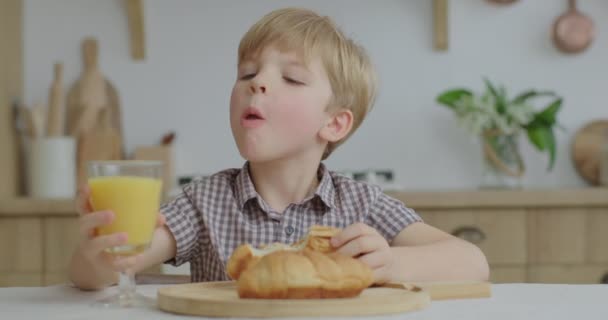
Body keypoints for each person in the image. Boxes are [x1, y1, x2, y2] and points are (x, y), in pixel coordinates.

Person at [69, 7, 489, 290]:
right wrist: (100, 255)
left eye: (291, 78)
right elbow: (123, 261)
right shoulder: (205, 201)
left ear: (335, 122)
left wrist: (392, 265)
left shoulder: (361, 204)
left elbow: (472, 263)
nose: (257, 82)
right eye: (247, 72)